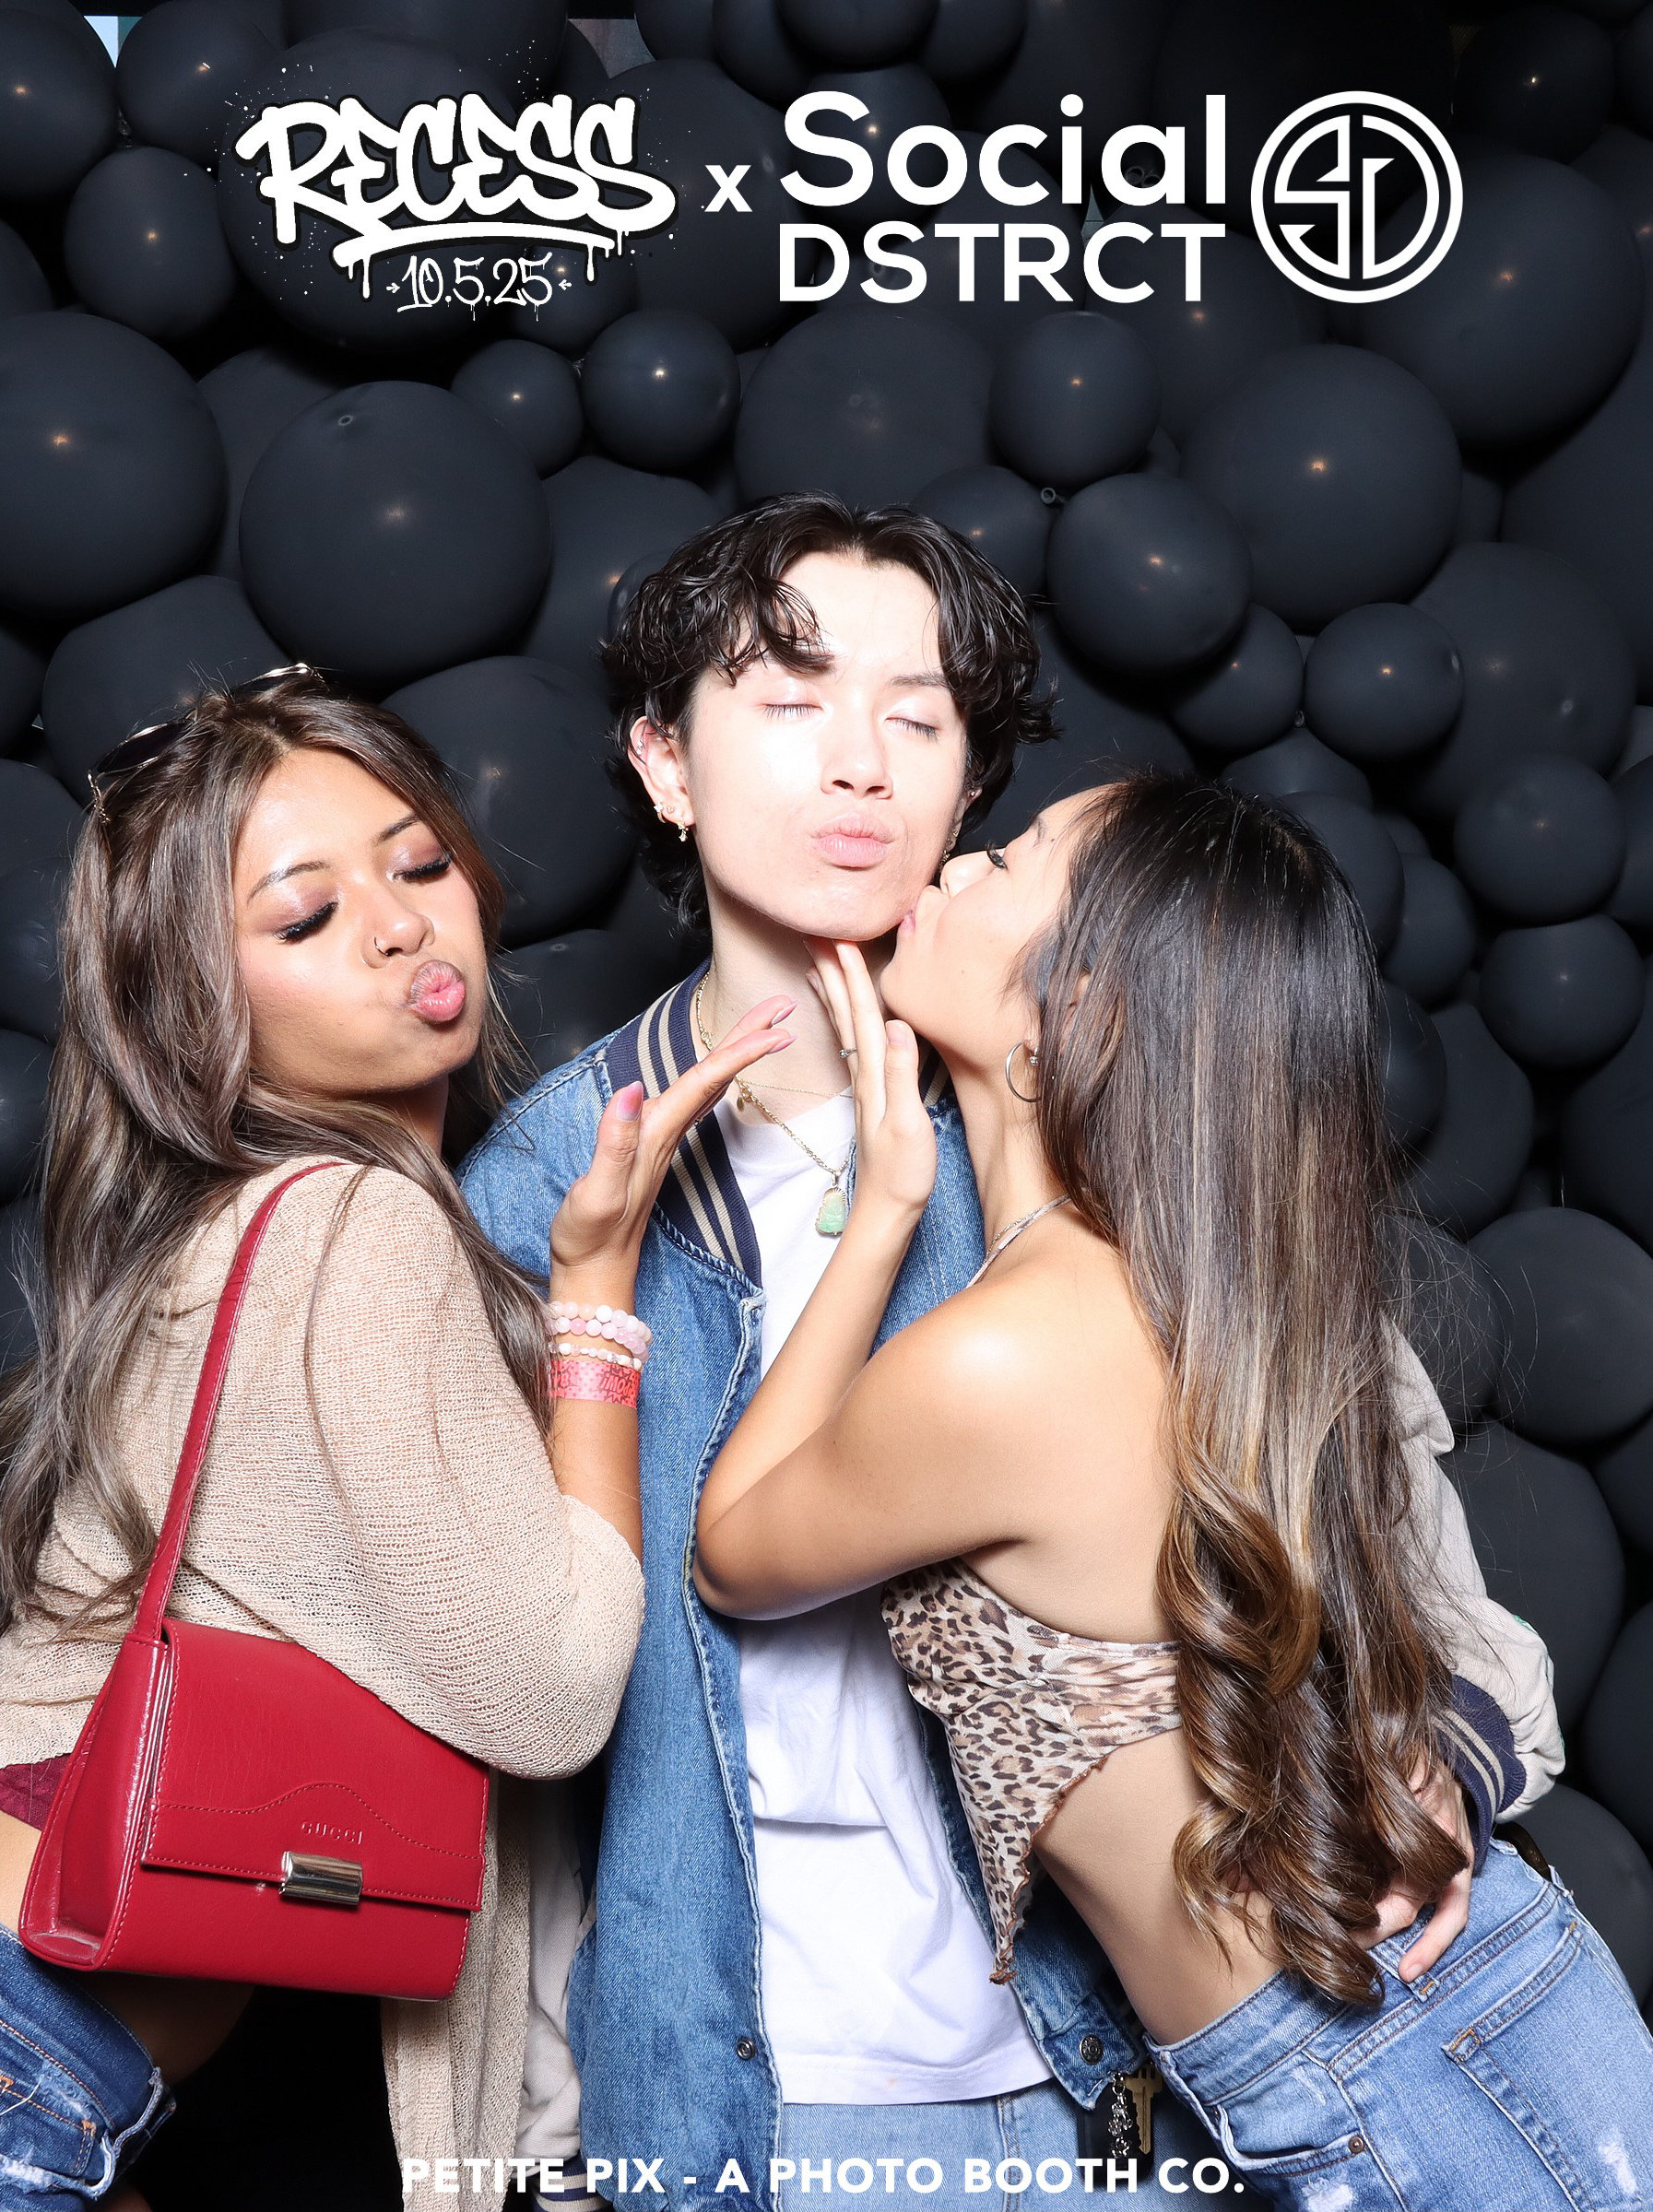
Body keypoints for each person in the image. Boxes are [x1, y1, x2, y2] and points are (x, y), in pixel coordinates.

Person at [460, 496, 1561, 2212]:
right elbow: (505, 1716)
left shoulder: (1111, 1122)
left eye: (917, 720)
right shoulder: (543, 1187)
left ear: (970, 785)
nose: (860, 764)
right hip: (751, 2094)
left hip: (1123, 2079)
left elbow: (1397, 1535)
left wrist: (1447, 1768)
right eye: (791, 700)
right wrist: (526, 2145)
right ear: (666, 765)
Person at [691, 774, 1647, 2206]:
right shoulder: (1222, 1286)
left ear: (1083, 1006)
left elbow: (731, 1550)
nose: (956, 864)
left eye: (1011, 860)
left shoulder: (1007, 1355)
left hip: (1403, 2060)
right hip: (1407, 2032)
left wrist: (881, 1214)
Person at [0, 669, 789, 2212]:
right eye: (305, 916)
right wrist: (596, 1301)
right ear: (188, 1001)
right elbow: (558, 1692)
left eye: (420, 864)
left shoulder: (217, 1227)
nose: (400, 926)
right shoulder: (348, 1226)